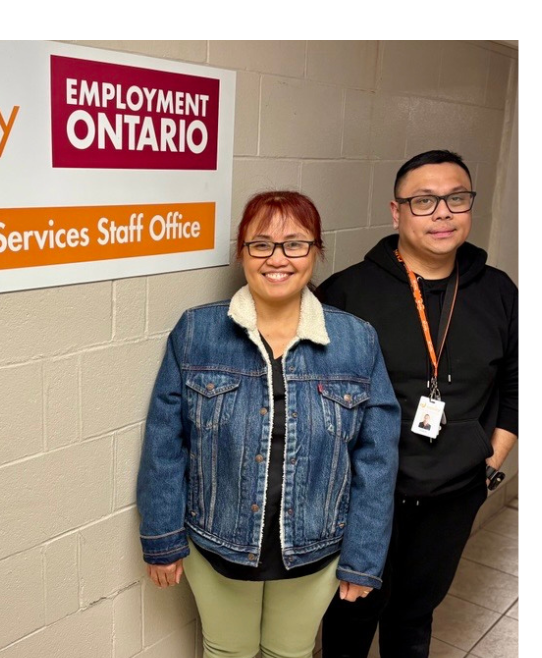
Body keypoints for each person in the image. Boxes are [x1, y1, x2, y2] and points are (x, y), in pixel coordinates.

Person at [136, 191, 401, 658]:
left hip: (317, 548)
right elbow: (164, 443)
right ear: (242, 252)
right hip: (216, 542)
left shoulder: (357, 340)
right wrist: (162, 538)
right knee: (228, 651)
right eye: (261, 244)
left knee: (289, 652)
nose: (277, 258)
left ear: (316, 251)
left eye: (295, 244)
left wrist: (363, 558)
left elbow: (376, 460)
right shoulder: (197, 333)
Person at [318, 150, 518, 658]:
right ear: (397, 211)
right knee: (351, 614)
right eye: (424, 201)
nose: (443, 213)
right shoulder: (348, 292)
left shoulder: (498, 292)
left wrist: (489, 462)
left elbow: (519, 384)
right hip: (365, 496)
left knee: (413, 617)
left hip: (453, 494)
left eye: (456, 198)